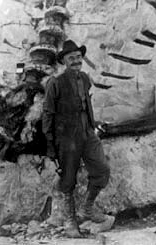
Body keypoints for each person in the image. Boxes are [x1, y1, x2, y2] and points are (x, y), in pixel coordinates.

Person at [42, 40, 110, 238]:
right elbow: (48, 113)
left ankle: (87, 208)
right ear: (63, 61)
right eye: (71, 58)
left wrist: (93, 124)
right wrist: (50, 143)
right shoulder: (55, 83)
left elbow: (85, 104)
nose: (76, 61)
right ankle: (70, 220)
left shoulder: (85, 78)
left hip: (87, 132)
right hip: (66, 136)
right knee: (68, 178)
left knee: (101, 169)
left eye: (79, 57)